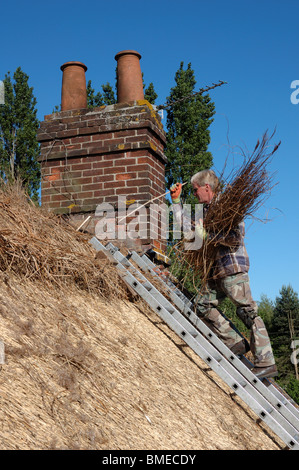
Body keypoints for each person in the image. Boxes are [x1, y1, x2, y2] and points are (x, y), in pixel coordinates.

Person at [170, 169, 278, 379]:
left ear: (206, 187)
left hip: (232, 268)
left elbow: (235, 237)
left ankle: (266, 361)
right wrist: (176, 202)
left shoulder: (229, 207)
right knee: (202, 304)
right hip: (215, 271)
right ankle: (235, 342)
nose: (194, 195)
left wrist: (207, 235)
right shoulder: (207, 211)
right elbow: (188, 229)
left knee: (247, 311)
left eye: (195, 191)